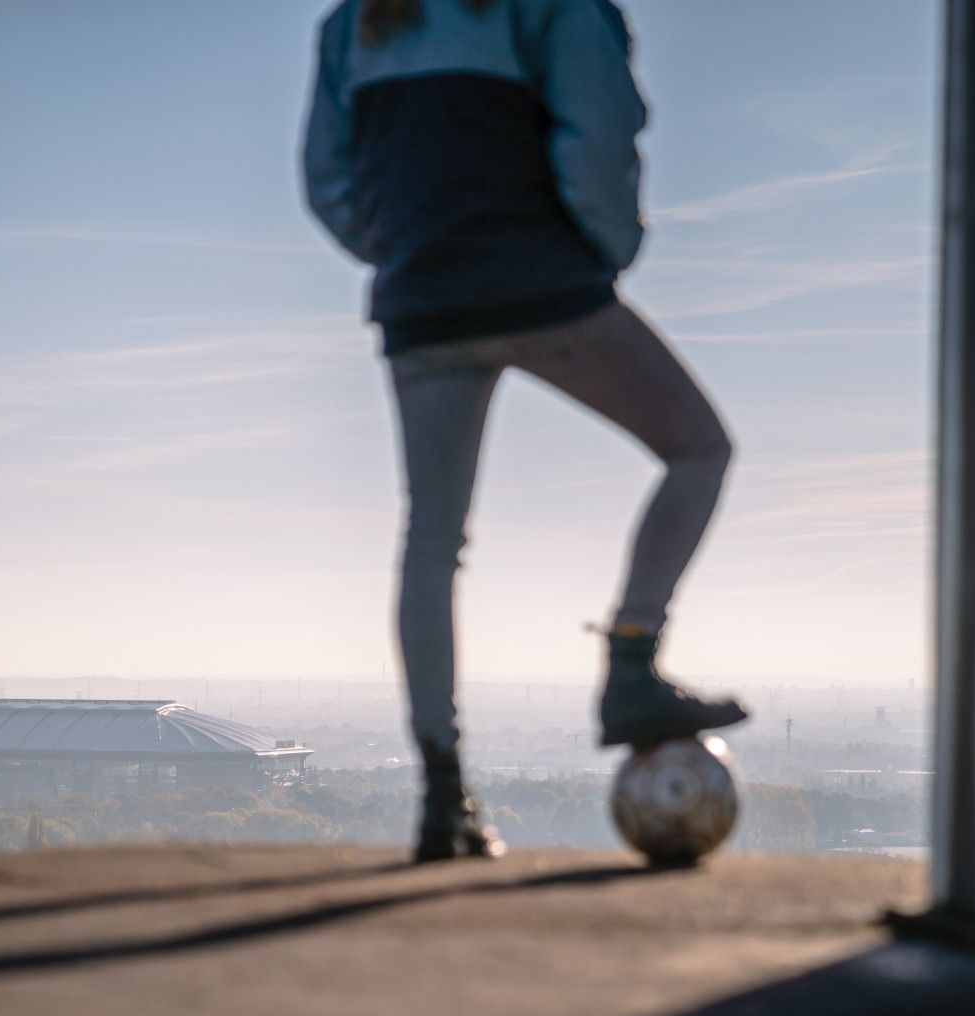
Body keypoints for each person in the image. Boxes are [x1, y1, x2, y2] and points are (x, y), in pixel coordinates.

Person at [302, 0, 748, 864]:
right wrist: (601, 255)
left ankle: (442, 792)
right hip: (539, 280)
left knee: (431, 537)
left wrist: (405, 248)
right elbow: (600, 135)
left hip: (422, 301)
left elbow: (326, 178)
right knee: (698, 448)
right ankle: (630, 664)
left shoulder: (356, 21)